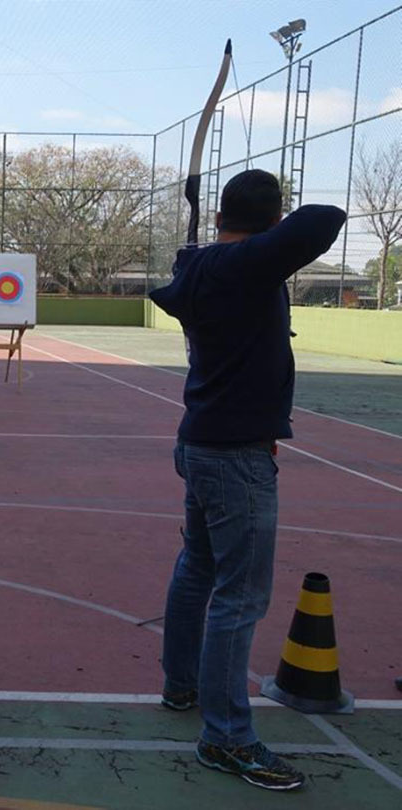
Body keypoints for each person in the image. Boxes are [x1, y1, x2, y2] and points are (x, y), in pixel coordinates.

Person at [149, 169, 346, 792]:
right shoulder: (245, 266)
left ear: (216, 219)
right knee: (240, 596)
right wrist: (265, 239)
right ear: (270, 226)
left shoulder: (202, 267)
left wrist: (229, 240)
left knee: (198, 568)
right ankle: (227, 737)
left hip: (202, 441)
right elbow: (326, 218)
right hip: (235, 455)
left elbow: (194, 270)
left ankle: (182, 684)